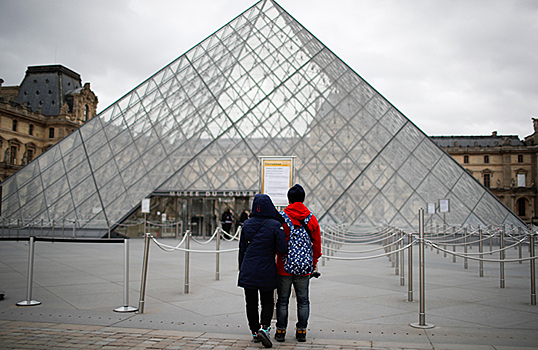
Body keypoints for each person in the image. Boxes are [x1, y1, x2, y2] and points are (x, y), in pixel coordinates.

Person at [238, 194, 287, 347]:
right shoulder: (274, 224)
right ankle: (264, 328)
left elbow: (242, 250)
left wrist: (242, 269)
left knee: (251, 302)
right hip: (266, 268)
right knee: (267, 301)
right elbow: (282, 248)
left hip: (248, 269)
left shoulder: (246, 224)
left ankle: (254, 331)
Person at [275, 184, 322, 343]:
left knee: (282, 300)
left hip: (284, 267)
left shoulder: (281, 218)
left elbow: (276, 242)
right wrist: (313, 262)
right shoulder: (311, 218)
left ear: (288, 199)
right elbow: (317, 245)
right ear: (303, 199)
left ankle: (281, 331)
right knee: (303, 300)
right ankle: (301, 331)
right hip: (304, 267)